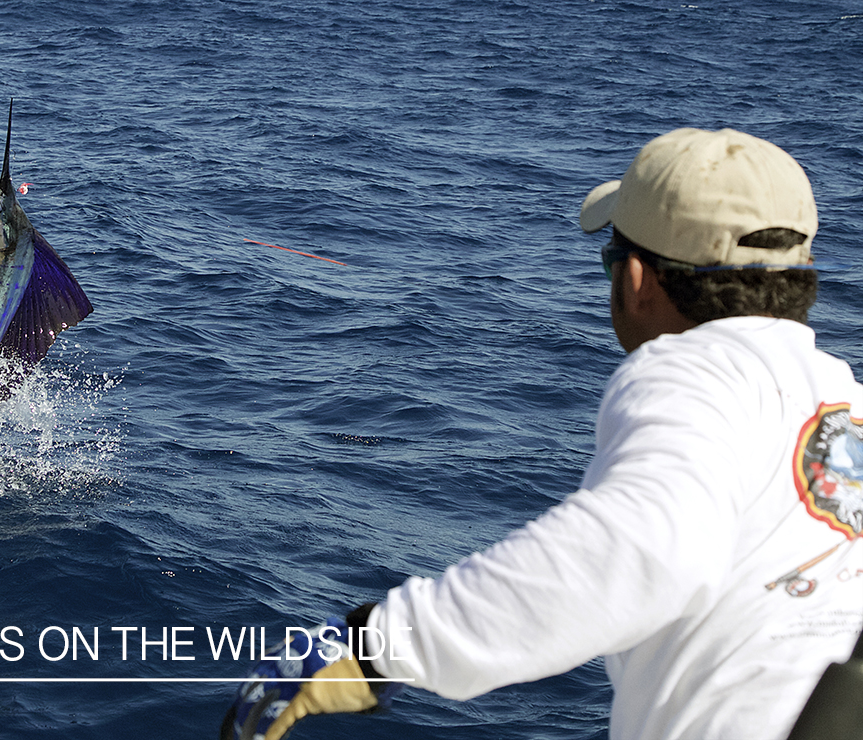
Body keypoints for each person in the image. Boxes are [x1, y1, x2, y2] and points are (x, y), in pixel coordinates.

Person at [221, 128, 863, 740]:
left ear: (636, 279)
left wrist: (376, 649)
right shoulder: (844, 399)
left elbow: (643, 549)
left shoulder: (690, 369)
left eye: (612, 256)